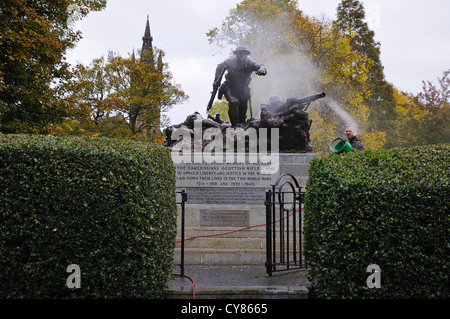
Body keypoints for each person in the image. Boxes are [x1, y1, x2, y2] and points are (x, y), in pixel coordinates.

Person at [213, 46, 267, 126]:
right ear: (236, 54)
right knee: (233, 102)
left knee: (243, 110)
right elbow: (219, 67)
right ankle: (234, 127)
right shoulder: (229, 62)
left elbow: (261, 66)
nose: (242, 56)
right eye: (240, 53)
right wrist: (216, 80)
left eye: (245, 54)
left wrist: (262, 70)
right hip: (229, 87)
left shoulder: (250, 63)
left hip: (243, 90)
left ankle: (241, 126)